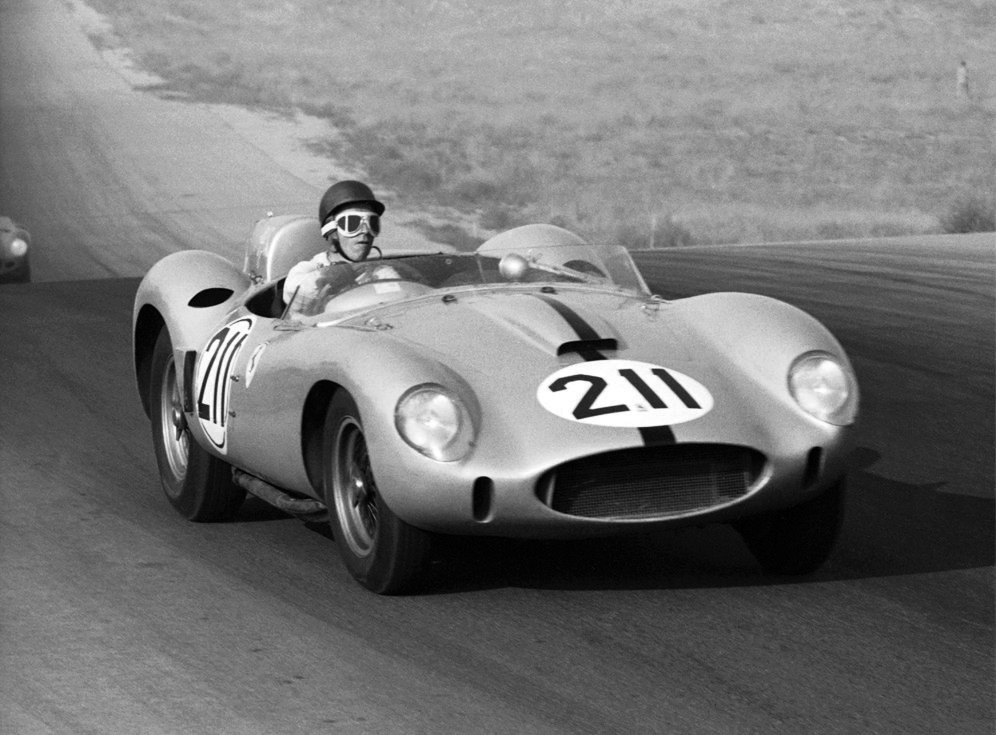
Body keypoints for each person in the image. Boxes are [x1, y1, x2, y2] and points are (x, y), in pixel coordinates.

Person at [283, 180, 400, 316]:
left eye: (372, 223)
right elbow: (292, 290)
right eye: (352, 223)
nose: (365, 231)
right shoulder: (309, 269)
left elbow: (402, 302)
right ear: (332, 231)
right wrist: (331, 275)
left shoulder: (380, 273)